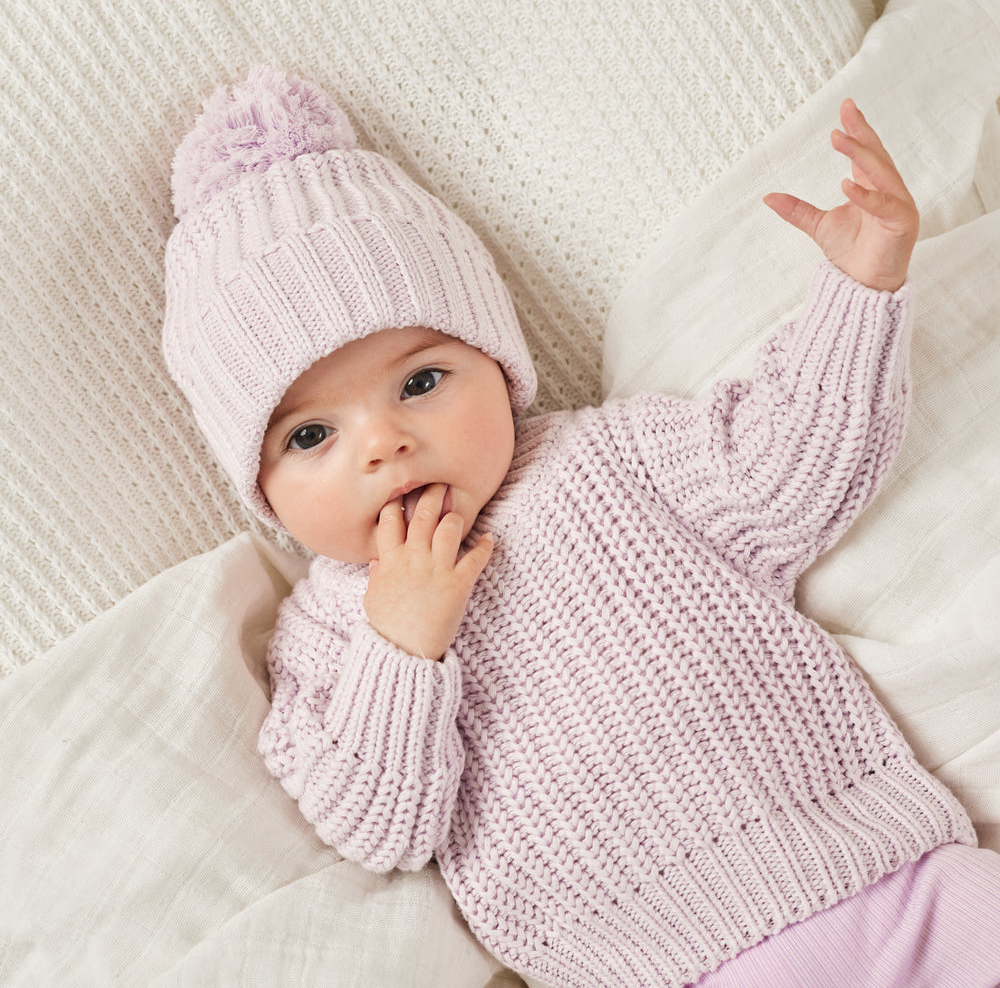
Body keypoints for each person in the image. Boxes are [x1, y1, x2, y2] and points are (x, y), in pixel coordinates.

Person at [163, 67, 1000, 988]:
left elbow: (790, 469)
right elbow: (377, 826)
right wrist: (401, 646)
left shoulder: (611, 459)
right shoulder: (327, 641)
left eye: (421, 381)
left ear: (498, 361)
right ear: (261, 488)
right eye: (313, 435)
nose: (385, 444)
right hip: (667, 969)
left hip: (887, 879)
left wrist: (858, 290)